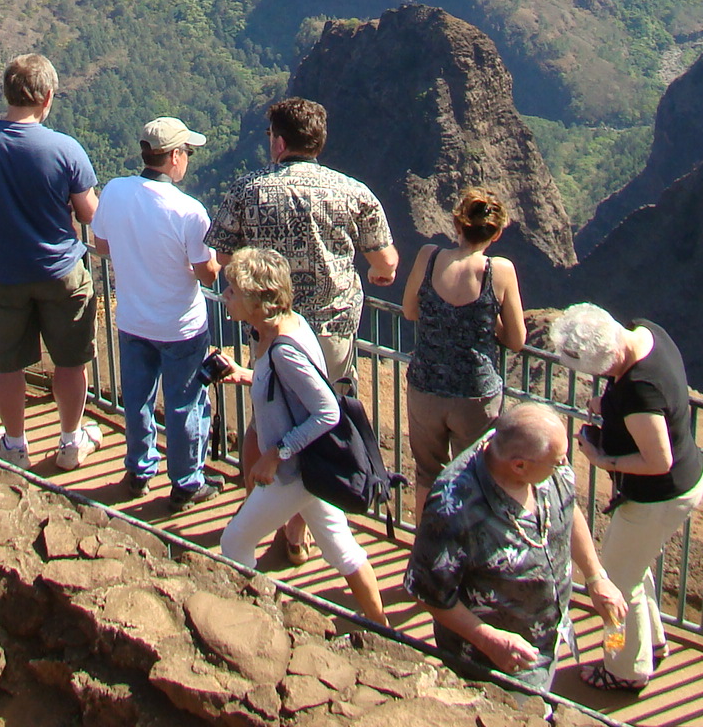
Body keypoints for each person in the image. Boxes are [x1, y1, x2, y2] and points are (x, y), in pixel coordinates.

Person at [213, 96, 398, 563]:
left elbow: (219, 258)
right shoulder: (353, 193)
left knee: (268, 419)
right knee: (319, 422)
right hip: (330, 334)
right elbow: (386, 263)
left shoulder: (246, 190)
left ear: (278, 141)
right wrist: (374, 275)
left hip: (271, 329)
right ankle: (296, 537)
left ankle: (254, 514)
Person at [0, 53, 100, 471]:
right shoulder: (65, 148)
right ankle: (69, 443)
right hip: (60, 270)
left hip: (1, 271)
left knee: (6, 361)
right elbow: (89, 214)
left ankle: (14, 443)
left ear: (7, 93)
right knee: (70, 360)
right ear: (47, 97)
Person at [217, 246, 388, 624]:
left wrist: (274, 454)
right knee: (341, 549)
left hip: (292, 472)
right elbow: (291, 390)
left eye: (233, 291)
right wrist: (245, 375)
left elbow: (326, 410)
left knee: (235, 541)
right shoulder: (287, 326)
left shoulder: (283, 351)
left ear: (256, 301)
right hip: (311, 468)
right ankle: (381, 626)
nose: (225, 296)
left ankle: (251, 623)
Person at [405, 401, 626, 692]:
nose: (564, 466)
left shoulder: (545, 461)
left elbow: (567, 508)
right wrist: (489, 640)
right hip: (491, 666)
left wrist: (596, 576)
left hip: (545, 642)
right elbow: (426, 592)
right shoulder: (454, 509)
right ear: (519, 465)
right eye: (558, 461)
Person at [551, 303, 703, 693]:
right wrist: (608, 407)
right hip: (685, 482)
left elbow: (658, 461)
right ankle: (651, 643)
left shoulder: (639, 390)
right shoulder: (644, 331)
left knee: (616, 584)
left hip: (657, 498)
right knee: (633, 570)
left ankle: (624, 668)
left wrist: (602, 458)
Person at [92, 116, 222, 508]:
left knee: (137, 398)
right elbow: (206, 276)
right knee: (185, 404)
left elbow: (101, 245)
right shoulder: (190, 211)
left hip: (133, 318)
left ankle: (139, 470)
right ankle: (186, 482)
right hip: (180, 326)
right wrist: (221, 261)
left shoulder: (114, 191)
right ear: (175, 157)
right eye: (188, 153)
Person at [402, 186, 525, 522]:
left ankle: (426, 549)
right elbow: (516, 339)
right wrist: (487, 325)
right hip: (475, 394)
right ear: (496, 233)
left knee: (428, 474)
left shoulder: (428, 257)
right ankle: (469, 555)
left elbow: (410, 310)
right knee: (477, 475)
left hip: (425, 387)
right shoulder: (499, 271)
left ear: (457, 224)